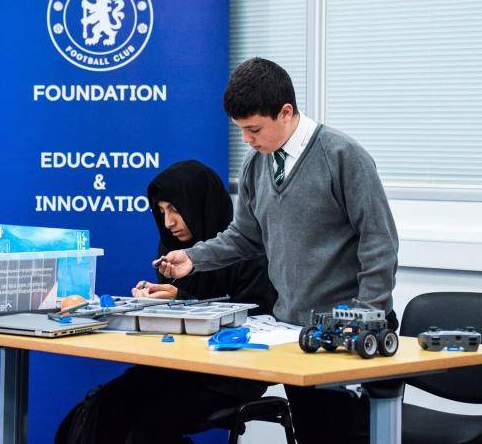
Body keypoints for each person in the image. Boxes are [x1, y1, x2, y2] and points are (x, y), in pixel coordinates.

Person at [156, 58, 399, 443]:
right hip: (296, 331)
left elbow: (379, 241)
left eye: (253, 129)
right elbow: (244, 237)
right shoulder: (257, 166)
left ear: (286, 113)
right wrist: (194, 258)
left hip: (350, 331)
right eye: (241, 131)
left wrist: (367, 313)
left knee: (348, 436)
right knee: (313, 435)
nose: (247, 140)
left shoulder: (342, 156)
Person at [55, 159, 277, 444]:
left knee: (145, 431)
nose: (168, 222)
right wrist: (153, 303)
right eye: (161, 211)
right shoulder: (172, 248)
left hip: (227, 378)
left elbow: (258, 324)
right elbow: (173, 326)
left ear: (199, 204)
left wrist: (182, 301)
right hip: (176, 367)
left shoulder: (248, 253)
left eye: (175, 209)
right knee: (96, 410)